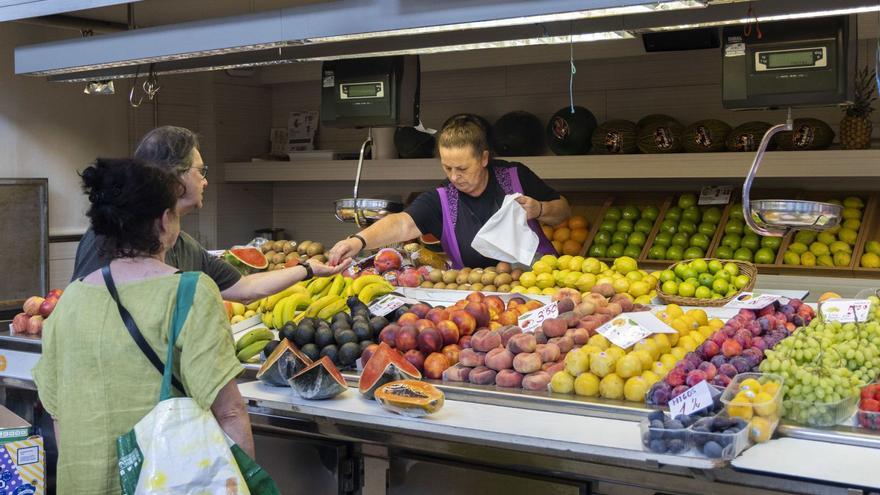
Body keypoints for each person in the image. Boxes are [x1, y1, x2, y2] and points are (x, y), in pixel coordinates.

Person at [34, 158, 254, 493]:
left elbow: (57, 413)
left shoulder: (70, 302)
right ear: (165, 221)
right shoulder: (189, 292)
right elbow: (230, 413)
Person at [72, 126, 350, 301]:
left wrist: (308, 269)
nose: (205, 181)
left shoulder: (184, 245)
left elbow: (244, 287)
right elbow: (83, 304)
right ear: (175, 178)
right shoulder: (109, 237)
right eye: (200, 171)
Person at [327, 115, 570, 268]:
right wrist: (360, 241)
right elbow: (402, 224)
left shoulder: (516, 175)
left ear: (484, 158)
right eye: (447, 167)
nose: (454, 177)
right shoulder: (441, 199)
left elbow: (563, 212)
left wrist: (540, 209)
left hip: (542, 286)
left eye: (463, 168)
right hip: (477, 300)